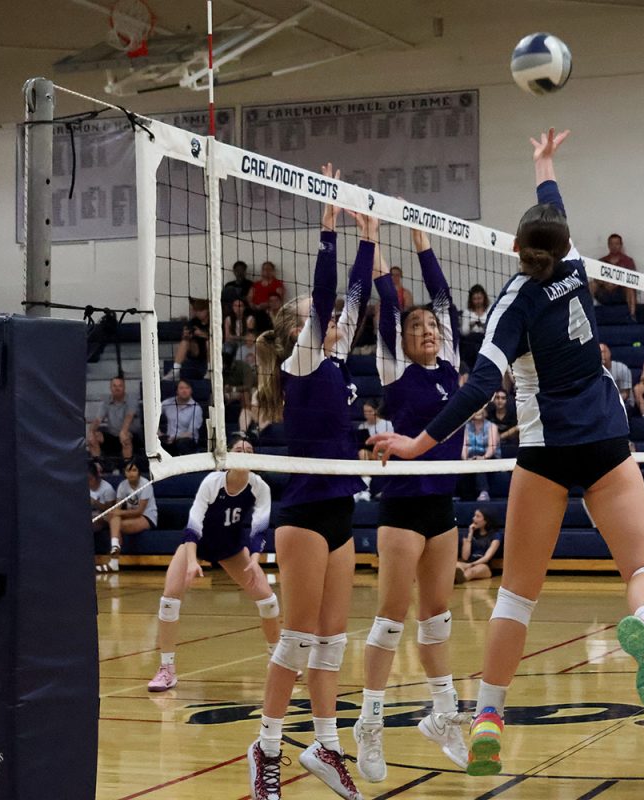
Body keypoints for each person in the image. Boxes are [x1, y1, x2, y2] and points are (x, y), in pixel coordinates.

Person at [370, 129, 644, 777]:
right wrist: (546, 163)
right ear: (563, 245)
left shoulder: (513, 300)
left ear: (514, 246)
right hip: (606, 439)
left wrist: (417, 442)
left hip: (546, 450)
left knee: (516, 596)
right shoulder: (577, 270)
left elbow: (480, 385)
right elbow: (553, 214)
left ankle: (487, 717)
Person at [246, 163, 369, 800]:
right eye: (318, 318)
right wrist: (327, 228)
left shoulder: (339, 356)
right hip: (302, 514)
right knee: (296, 642)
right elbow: (328, 298)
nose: (337, 321)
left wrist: (368, 239)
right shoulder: (303, 358)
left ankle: (326, 746)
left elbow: (349, 296)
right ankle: (266, 750)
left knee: (330, 643)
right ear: (299, 329)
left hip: (341, 512)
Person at [352, 223, 469, 783]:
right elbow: (388, 302)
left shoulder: (452, 370)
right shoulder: (394, 370)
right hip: (401, 507)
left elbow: (442, 298)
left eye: (431, 326)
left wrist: (424, 245)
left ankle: (443, 714)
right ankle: (368, 723)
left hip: (441, 508)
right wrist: (374, 247)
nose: (426, 329)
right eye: (416, 325)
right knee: (390, 620)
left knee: (437, 618)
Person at [148, 436, 280, 691]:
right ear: (228, 455)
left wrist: (254, 560)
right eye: (238, 449)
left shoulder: (260, 487)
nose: (243, 452)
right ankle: (167, 669)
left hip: (230, 547)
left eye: (249, 450)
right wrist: (190, 561)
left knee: (268, 601)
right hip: (197, 545)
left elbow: (260, 528)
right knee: (169, 601)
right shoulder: (213, 481)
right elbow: (193, 524)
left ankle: (278, 658)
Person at [101, 455, 157, 574]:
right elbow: (117, 507)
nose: (131, 474)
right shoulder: (122, 485)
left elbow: (139, 511)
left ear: (139, 472)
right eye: (128, 470)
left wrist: (117, 513)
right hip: (131, 516)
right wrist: (112, 514)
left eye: (134, 470)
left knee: (115, 524)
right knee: (114, 518)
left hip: (147, 517)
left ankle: (114, 559)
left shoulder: (146, 484)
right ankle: (115, 547)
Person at [87, 376, 141, 464]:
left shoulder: (131, 399)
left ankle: (127, 466)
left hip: (132, 436)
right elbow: (98, 419)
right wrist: (91, 431)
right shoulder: (106, 401)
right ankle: (98, 465)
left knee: (125, 437)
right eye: (114, 386)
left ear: (124, 387)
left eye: (120, 386)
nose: (117, 388)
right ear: (110, 388)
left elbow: (129, 417)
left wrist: (123, 431)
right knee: (93, 437)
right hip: (113, 435)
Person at [594, 233, 638, 317]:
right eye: (611, 244)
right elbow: (596, 278)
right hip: (605, 292)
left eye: (616, 244)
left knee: (630, 287)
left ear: (621, 245)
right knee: (591, 285)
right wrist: (604, 283)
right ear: (608, 245)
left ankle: (632, 315)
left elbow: (632, 279)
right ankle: (586, 315)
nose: (614, 246)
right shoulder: (602, 261)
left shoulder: (628, 261)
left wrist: (615, 283)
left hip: (621, 292)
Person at [462, 406, 500, 502]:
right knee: (469, 463)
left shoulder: (492, 426)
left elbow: (492, 447)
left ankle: (484, 492)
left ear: (485, 411)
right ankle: (464, 497)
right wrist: (465, 459)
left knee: (478, 462)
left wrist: (483, 457)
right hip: (472, 457)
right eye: (476, 408)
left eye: (480, 408)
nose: (478, 411)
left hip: (490, 457)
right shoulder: (466, 427)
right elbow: (464, 446)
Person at [456, 508, 502, 583]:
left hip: (484, 565)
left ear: (486, 520)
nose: (473, 518)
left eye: (478, 516)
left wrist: (471, 565)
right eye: (474, 516)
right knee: (455, 566)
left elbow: (487, 558)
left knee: (471, 571)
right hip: (468, 563)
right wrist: (470, 535)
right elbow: (465, 557)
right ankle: (452, 581)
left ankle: (456, 580)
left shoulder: (496, 535)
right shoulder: (468, 535)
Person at [159, 379, 204, 457]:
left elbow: (191, 432)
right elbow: (153, 415)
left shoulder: (196, 408)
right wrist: (158, 433)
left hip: (187, 440)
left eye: (187, 388)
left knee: (182, 443)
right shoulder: (168, 403)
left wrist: (175, 438)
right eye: (181, 388)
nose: (184, 391)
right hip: (169, 440)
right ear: (177, 390)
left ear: (191, 391)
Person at [172, 298, 211, 381]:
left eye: (200, 310)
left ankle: (209, 370)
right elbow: (187, 332)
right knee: (184, 342)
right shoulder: (194, 322)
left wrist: (202, 334)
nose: (198, 313)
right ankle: (175, 370)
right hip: (196, 349)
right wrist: (186, 335)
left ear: (207, 310)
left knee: (209, 343)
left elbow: (219, 338)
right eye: (196, 311)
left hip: (209, 350)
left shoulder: (213, 322)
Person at [459, 284, 490, 368]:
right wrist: (471, 325)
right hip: (471, 342)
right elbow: (464, 332)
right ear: (471, 300)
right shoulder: (467, 312)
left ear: (484, 298)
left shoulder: (489, 311)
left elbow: (492, 330)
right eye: (475, 299)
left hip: (485, 340)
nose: (478, 301)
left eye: (479, 298)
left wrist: (484, 326)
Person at [600, 343, 634, 411]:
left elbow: (626, 393)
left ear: (609, 353)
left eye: (603, 352)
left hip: (624, 402)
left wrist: (610, 402)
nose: (602, 355)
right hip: (603, 402)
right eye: (599, 353)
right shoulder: (594, 371)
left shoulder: (622, 368)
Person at [488, 388, 519, 455]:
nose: (500, 401)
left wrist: (501, 436)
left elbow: (518, 427)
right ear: (493, 400)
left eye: (503, 398)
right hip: (492, 444)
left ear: (506, 400)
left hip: (510, 444)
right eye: (497, 398)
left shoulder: (512, 413)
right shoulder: (490, 413)